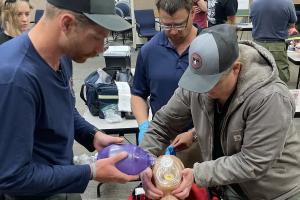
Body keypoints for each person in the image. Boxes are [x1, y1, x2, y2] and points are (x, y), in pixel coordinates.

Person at [139, 24, 300, 200]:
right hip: (228, 184)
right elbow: (163, 124)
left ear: (235, 69)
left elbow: (254, 161)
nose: (203, 90)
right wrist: (144, 161)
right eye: (198, 81)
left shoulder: (269, 97)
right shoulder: (198, 80)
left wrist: (198, 173)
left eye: (212, 83)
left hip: (273, 191)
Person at [0, 0, 138, 199]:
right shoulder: (15, 79)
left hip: (63, 179)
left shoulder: (63, 55)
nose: (101, 49)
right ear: (66, 23)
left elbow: (65, 108)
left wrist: (92, 135)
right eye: (97, 37)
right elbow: (12, 177)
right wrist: (90, 171)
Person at [131, 0, 202, 167]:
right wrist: (144, 126)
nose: (173, 31)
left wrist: (194, 134)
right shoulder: (149, 50)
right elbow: (138, 95)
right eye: (166, 25)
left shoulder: (209, 48)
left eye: (178, 24)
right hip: (162, 141)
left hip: (201, 143)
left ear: (192, 13)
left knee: (200, 191)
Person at [250, 0, 297, 83]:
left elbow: (254, 21)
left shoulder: (255, 2)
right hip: (277, 46)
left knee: (258, 77)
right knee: (281, 78)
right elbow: (292, 25)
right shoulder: (287, 3)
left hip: (257, 46)